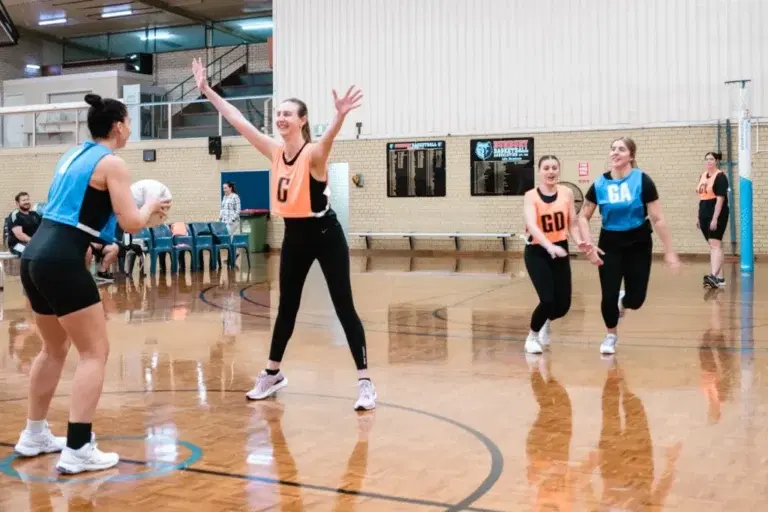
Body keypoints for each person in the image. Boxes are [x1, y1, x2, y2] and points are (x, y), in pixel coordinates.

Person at [191, 57, 376, 410]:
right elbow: (237, 120)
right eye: (278, 113)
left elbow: (329, 140)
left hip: (325, 232)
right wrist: (206, 90)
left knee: (343, 306)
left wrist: (339, 116)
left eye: (288, 114)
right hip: (295, 235)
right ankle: (273, 373)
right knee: (286, 307)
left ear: (302, 120)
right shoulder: (274, 151)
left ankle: (365, 381)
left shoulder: (314, 155)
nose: (280, 118)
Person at [12, 93, 170, 474]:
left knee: (53, 349)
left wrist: (105, 240)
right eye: (129, 122)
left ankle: (34, 435)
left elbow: (74, 212)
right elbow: (133, 221)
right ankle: (79, 447)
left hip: (36, 257)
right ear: (117, 126)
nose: (130, 128)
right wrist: (152, 207)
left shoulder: (71, 156)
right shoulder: (112, 162)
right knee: (94, 352)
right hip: (63, 257)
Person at [577, 137, 679, 355]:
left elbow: (658, 218)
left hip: (639, 242)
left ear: (631, 156)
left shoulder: (642, 181)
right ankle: (611, 335)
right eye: (612, 149)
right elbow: (583, 216)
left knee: (636, 299)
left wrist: (669, 250)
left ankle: (626, 301)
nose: (615, 153)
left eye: (621, 149)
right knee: (608, 294)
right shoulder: (599, 185)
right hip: (610, 243)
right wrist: (589, 244)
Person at [522, 155, 591, 354]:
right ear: (540, 171)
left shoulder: (567, 193)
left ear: (558, 170)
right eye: (546, 168)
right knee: (547, 299)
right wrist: (548, 245)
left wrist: (579, 241)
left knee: (563, 306)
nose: (551, 171)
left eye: (554, 167)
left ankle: (545, 322)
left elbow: (572, 223)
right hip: (537, 251)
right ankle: (532, 337)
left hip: (560, 249)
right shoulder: (530, 196)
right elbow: (533, 226)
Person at [696, 152, 729, 288]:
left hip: (716, 212)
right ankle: (720, 278)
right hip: (704, 211)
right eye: (707, 159)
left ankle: (713, 276)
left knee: (715, 244)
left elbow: (720, 199)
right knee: (714, 246)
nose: (709, 161)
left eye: (711, 159)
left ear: (716, 161)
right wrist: (698, 217)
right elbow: (701, 198)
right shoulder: (703, 175)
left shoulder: (720, 176)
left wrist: (715, 218)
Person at [8, 192, 42, 256]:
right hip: (18, 244)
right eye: (23, 200)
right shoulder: (15, 215)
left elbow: (43, 228)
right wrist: (35, 243)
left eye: (27, 199)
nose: (26, 202)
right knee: (32, 253)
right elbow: (20, 235)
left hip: (33, 243)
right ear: (17, 203)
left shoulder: (34, 214)